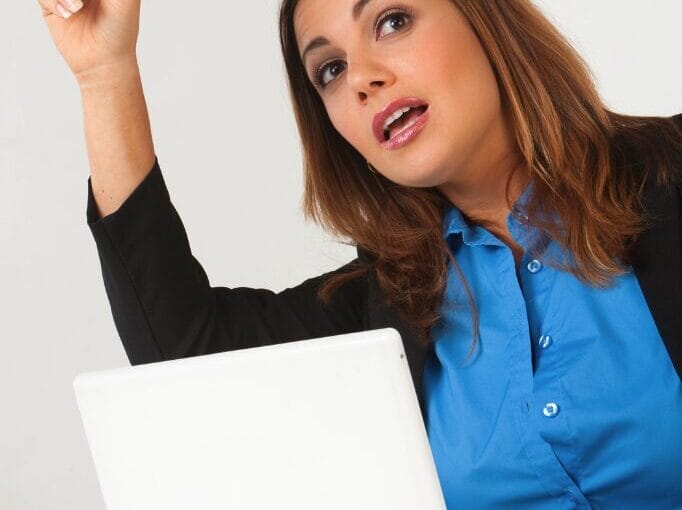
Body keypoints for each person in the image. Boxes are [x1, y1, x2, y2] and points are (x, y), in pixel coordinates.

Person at [41, 0, 681, 507]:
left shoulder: (670, 175)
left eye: (392, 21)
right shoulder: (385, 308)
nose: (364, 80)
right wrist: (105, 74)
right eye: (331, 70)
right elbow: (181, 347)